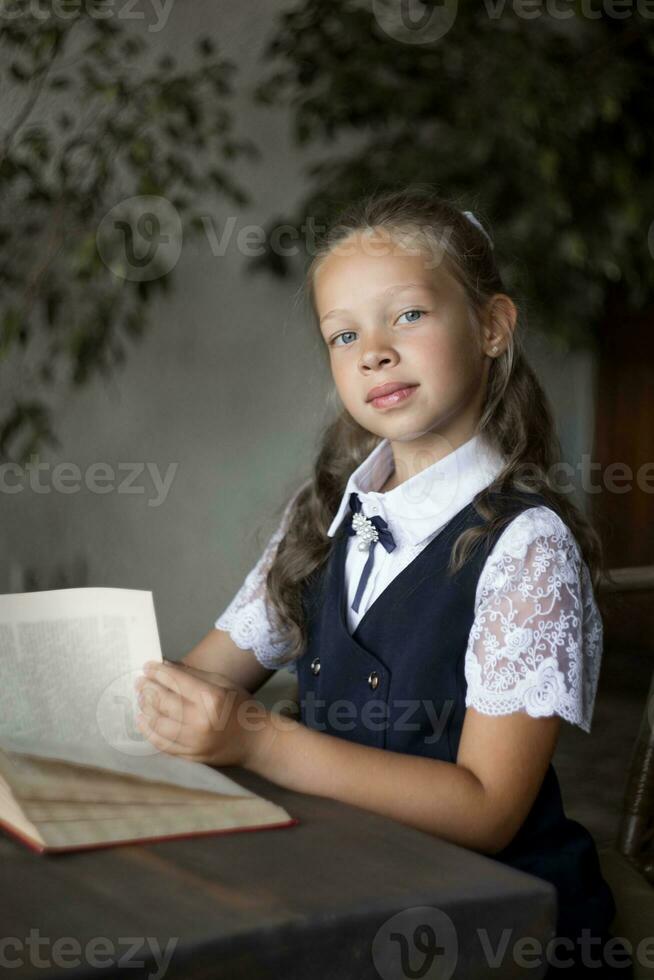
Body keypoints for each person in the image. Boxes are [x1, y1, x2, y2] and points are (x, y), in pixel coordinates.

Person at [134, 187, 634, 977]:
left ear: (493, 326)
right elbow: (203, 676)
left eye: (408, 316)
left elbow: (489, 811)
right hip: (344, 882)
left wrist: (256, 738)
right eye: (343, 333)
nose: (373, 350)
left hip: (493, 923)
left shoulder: (527, 546)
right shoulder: (322, 513)